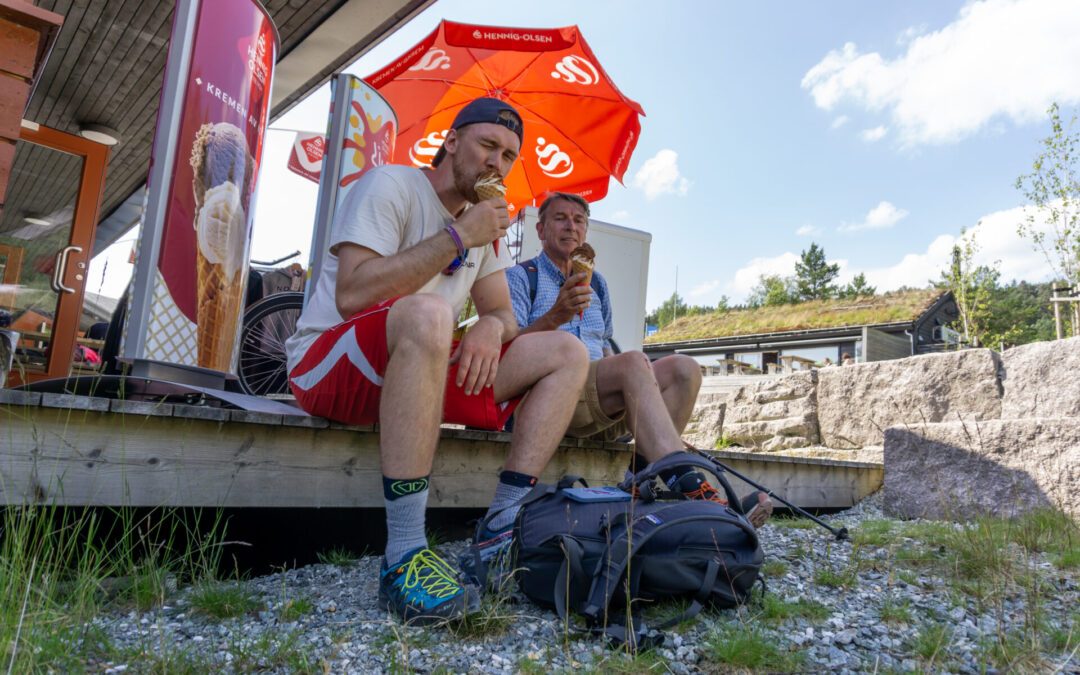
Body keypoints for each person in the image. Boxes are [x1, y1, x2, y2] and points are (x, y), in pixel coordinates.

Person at [284, 99, 589, 625]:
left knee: (567, 350)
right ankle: (404, 553)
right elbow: (353, 294)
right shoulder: (391, 185)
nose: (498, 163)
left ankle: (498, 531)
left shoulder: (484, 229)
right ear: (451, 142)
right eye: (488, 146)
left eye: (510, 156)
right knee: (429, 314)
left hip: (416, 368)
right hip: (330, 362)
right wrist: (457, 236)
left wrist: (491, 328)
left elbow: (502, 313)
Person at [507, 192, 772, 527]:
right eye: (560, 218)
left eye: (579, 220)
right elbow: (507, 354)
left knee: (683, 368)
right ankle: (690, 486)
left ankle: (639, 482)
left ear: (586, 233)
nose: (571, 226)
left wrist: (646, 398)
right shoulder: (521, 277)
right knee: (633, 362)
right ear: (541, 230)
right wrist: (555, 316)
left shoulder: (598, 284)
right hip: (547, 399)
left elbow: (602, 348)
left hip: (596, 405)